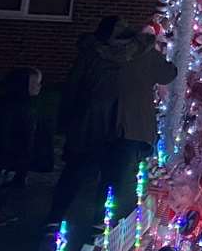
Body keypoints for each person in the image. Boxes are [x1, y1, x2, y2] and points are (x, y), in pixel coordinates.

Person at [45, 16, 153, 233]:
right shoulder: (135, 54)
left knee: (81, 172)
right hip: (116, 124)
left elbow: (73, 87)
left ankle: (60, 217)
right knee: (103, 174)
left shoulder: (92, 54)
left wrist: (66, 120)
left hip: (94, 122)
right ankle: (93, 220)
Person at [115, 25, 177, 213]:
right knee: (128, 170)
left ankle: (103, 217)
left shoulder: (113, 54)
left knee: (115, 169)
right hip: (135, 121)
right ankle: (122, 213)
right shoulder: (147, 56)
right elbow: (168, 73)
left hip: (111, 119)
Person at [0, 66, 44, 224]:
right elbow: (7, 134)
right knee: (5, 185)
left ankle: (2, 210)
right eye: (35, 83)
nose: (39, 87)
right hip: (10, 155)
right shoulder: (14, 108)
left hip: (16, 155)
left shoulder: (22, 105)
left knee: (10, 184)